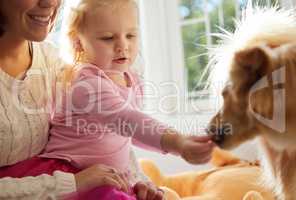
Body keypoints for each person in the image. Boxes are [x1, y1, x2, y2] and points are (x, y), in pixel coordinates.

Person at [0, 0, 215, 199]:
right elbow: (127, 119)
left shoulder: (129, 78)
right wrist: (178, 142)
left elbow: (125, 132)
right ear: (78, 44)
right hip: (68, 170)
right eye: (108, 38)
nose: (123, 46)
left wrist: (136, 179)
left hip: (100, 175)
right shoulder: (87, 83)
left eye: (131, 35)